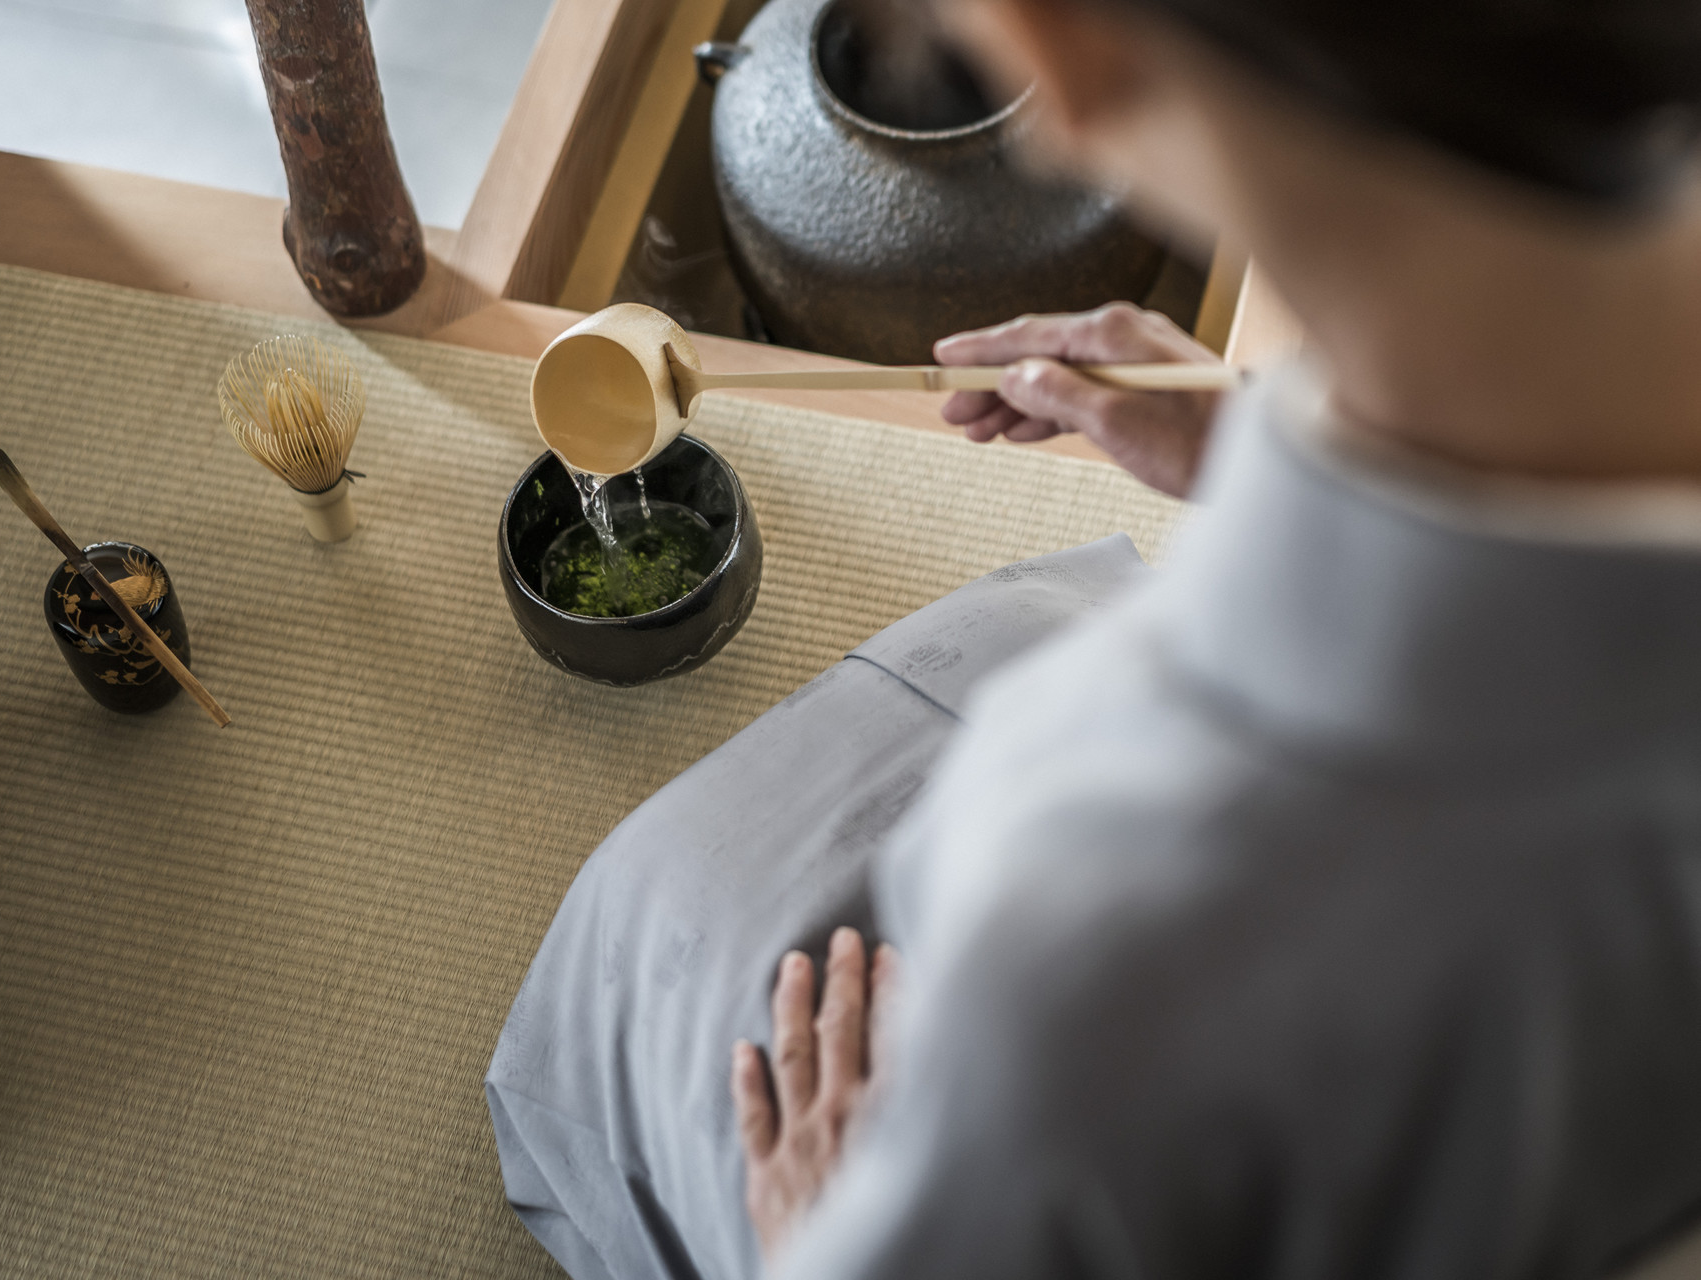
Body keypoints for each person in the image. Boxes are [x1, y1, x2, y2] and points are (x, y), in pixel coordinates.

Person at [487, 0, 1701, 1276]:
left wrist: (823, 1237)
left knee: (647, 931)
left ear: (1054, 49)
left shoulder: (1086, 941)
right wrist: (1258, 442)